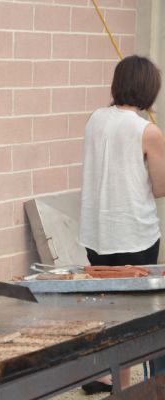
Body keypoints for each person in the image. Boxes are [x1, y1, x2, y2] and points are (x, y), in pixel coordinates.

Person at [79, 55, 165, 394]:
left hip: (97, 234)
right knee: (135, 319)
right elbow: (160, 187)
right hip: (134, 235)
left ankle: (108, 378)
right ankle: (123, 387)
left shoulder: (95, 119)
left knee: (108, 311)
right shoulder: (148, 130)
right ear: (149, 90)